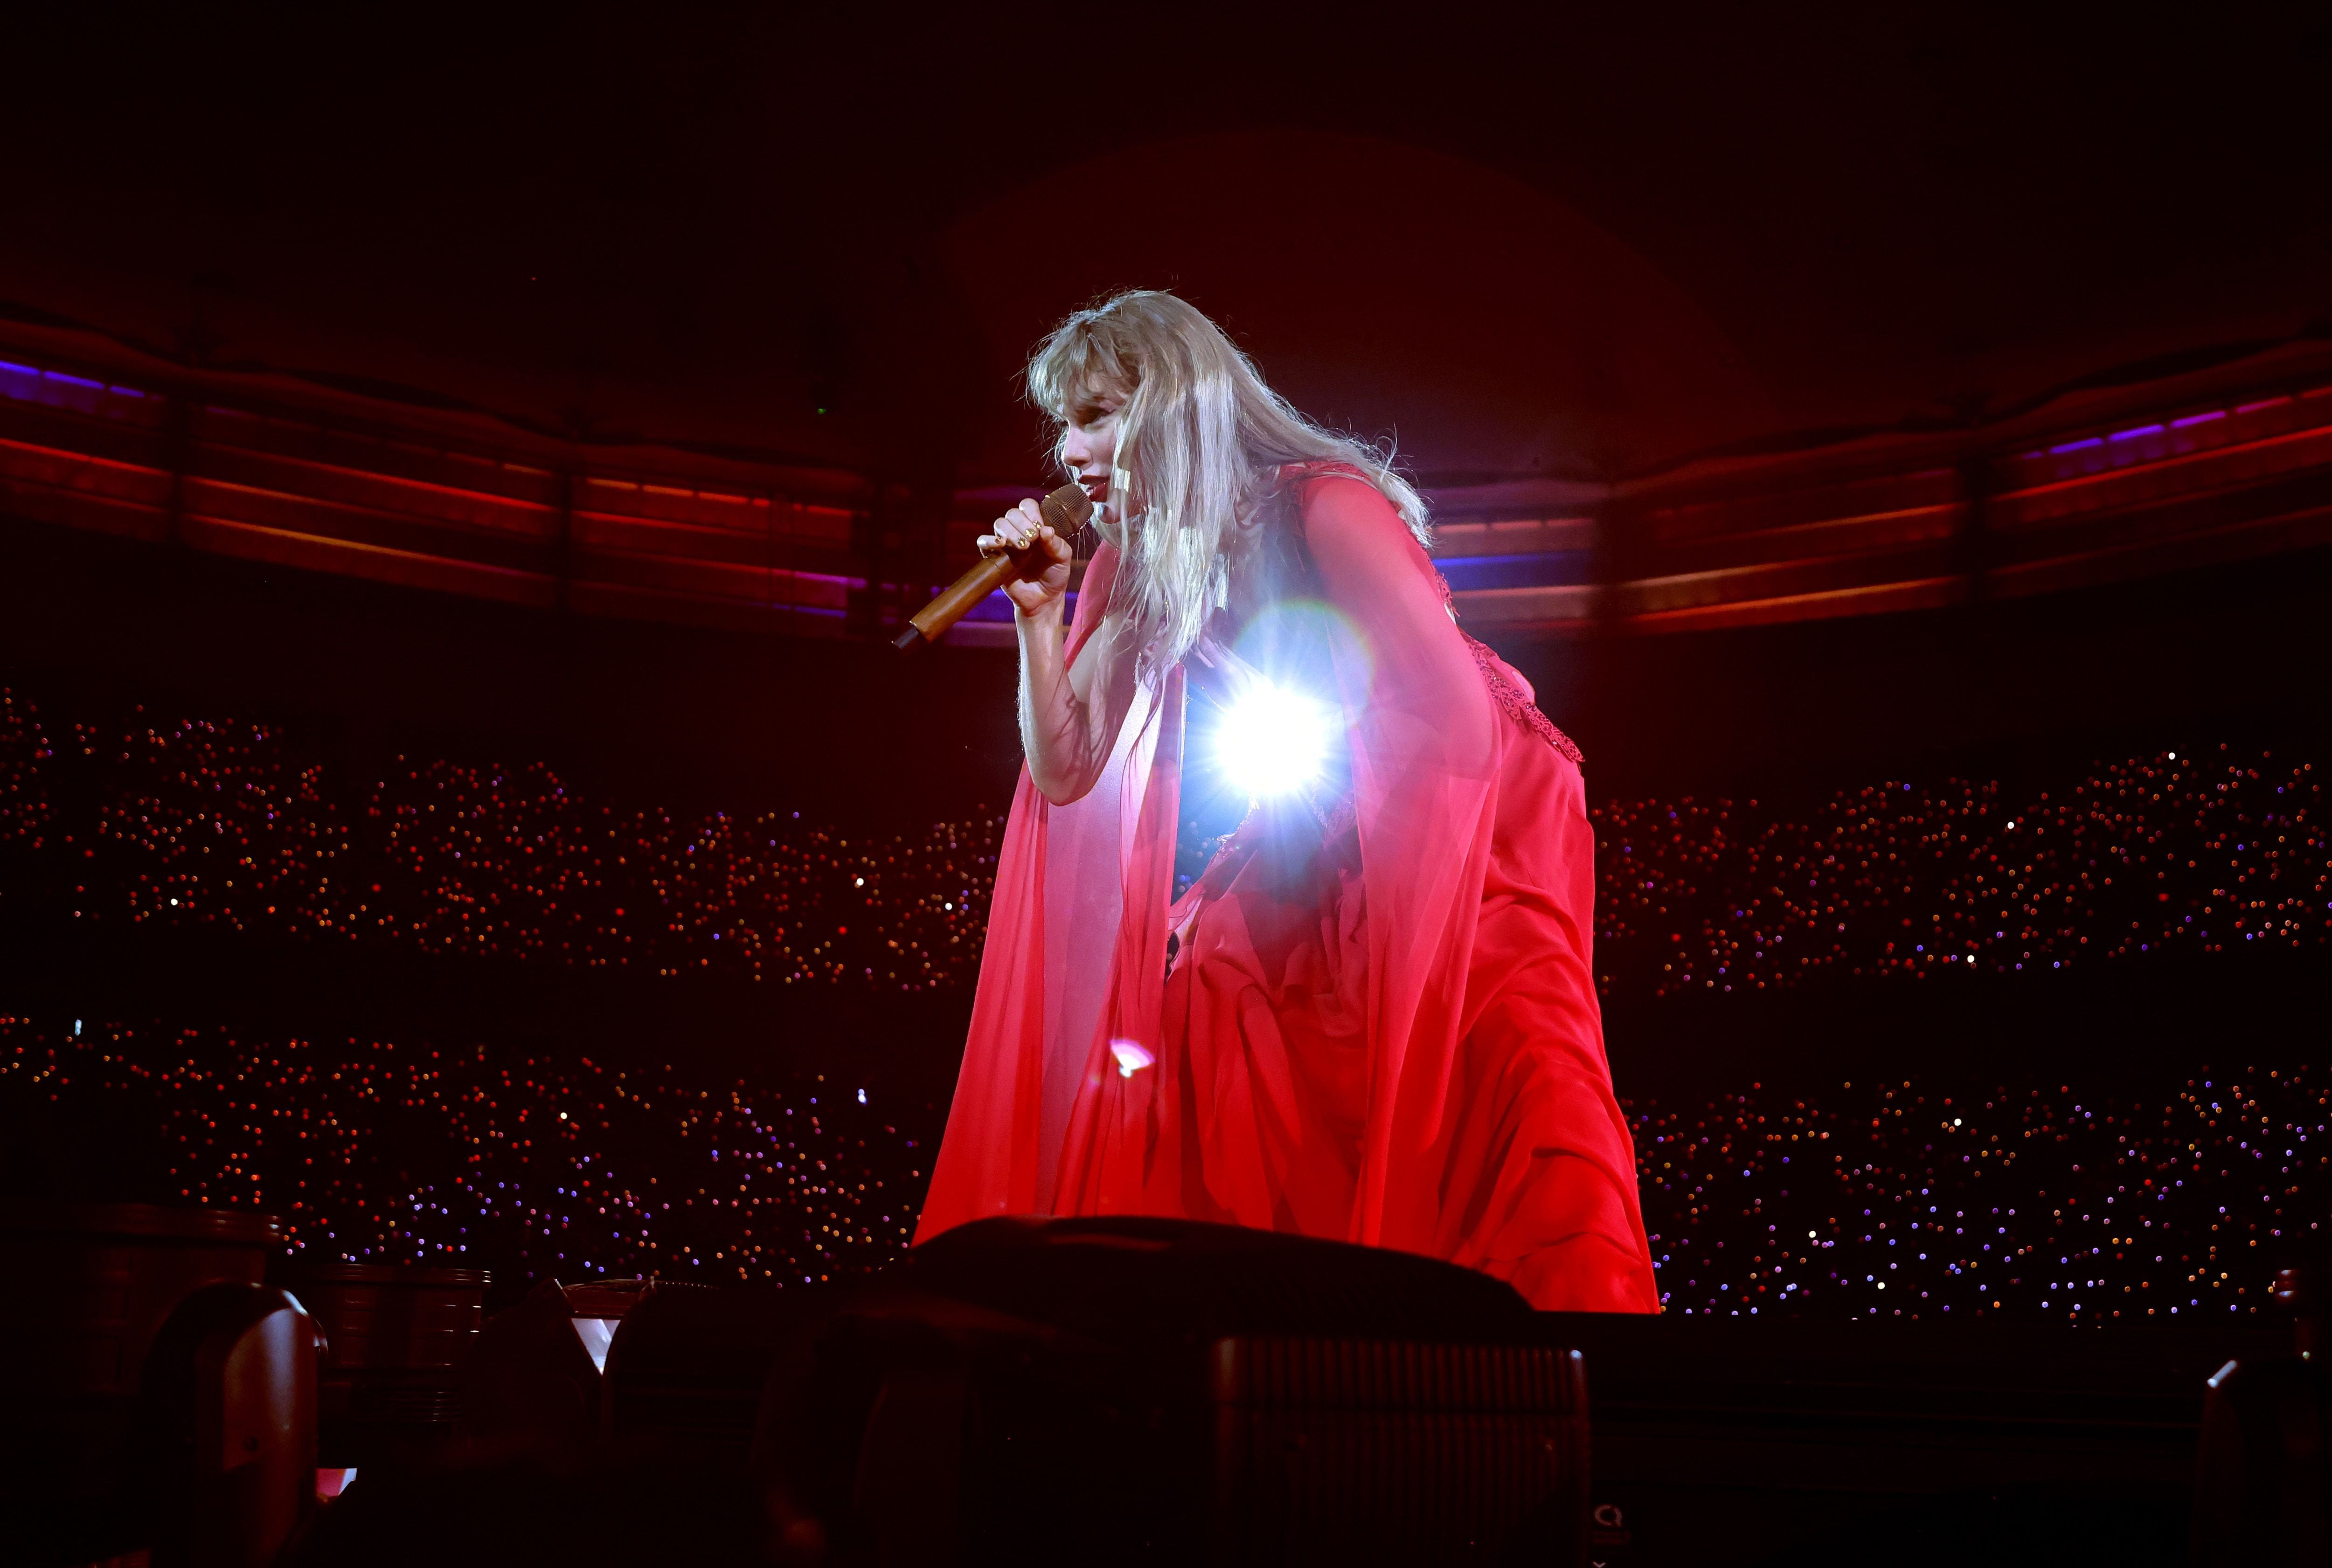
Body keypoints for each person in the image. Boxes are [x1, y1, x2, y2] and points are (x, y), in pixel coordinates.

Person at [913, 291, 1657, 1313]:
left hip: (1473, 801)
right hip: (1324, 815)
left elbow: (1449, 726)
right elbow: (1069, 768)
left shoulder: (1324, 503)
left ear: (1177, 406)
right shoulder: (1133, 562)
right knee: (1217, 986)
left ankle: (1567, 1342)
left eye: (1095, 415)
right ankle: (1281, 1319)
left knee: (1499, 1059)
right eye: (1063, 423)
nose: (1071, 450)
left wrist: (1389, 948)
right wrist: (1040, 620)